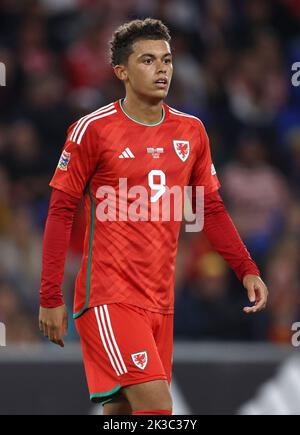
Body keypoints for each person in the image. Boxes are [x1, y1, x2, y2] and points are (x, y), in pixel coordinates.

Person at [39, 18, 268, 416]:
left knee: (122, 414)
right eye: (148, 60)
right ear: (121, 72)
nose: (162, 69)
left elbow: (208, 209)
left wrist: (246, 268)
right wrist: (50, 296)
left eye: (167, 60)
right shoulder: (92, 130)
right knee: (158, 410)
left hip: (161, 303)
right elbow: (60, 212)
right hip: (109, 298)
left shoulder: (192, 131)